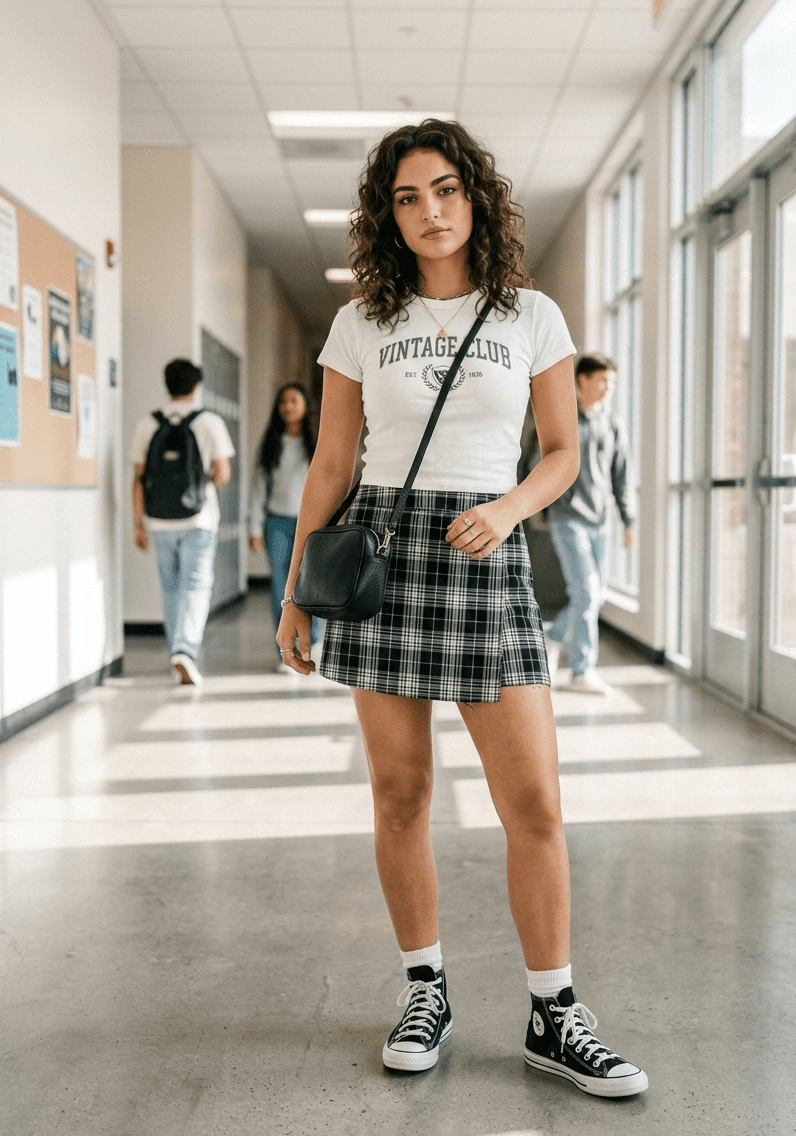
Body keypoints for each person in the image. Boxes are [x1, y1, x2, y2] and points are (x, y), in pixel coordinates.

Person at [276, 119, 648, 1098]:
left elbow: (561, 448)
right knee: (400, 795)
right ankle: (423, 986)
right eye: (405, 197)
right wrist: (295, 597)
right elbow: (330, 463)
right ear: (385, 216)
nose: (428, 211)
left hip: (486, 559)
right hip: (385, 562)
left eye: (443, 190)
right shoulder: (362, 322)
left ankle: (554, 1009)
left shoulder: (531, 315)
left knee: (534, 803)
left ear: (473, 198)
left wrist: (509, 506)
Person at [130, 358, 235, 687]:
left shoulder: (148, 424)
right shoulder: (209, 422)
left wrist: (138, 524)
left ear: (167, 384)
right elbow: (222, 474)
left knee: (171, 588)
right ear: (195, 386)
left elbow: (138, 479)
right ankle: (185, 651)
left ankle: (176, 650)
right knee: (196, 585)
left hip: (158, 520)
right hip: (199, 519)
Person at [544, 354, 636, 695]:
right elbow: (540, 462)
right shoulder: (564, 419)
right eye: (602, 380)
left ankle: (552, 637)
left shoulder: (614, 425)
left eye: (611, 382)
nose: (608, 388)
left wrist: (628, 520)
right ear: (581, 380)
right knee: (586, 592)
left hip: (602, 521)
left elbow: (621, 476)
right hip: (568, 518)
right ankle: (582, 670)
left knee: (593, 595)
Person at [248, 382, 321, 673]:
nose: (287, 406)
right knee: (281, 587)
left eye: (293, 400)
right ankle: (286, 648)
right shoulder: (270, 444)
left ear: (305, 406)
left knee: (310, 587)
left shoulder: (316, 444)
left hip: (311, 524)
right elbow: (257, 488)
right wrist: (254, 528)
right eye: (283, 402)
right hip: (276, 522)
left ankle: (312, 642)